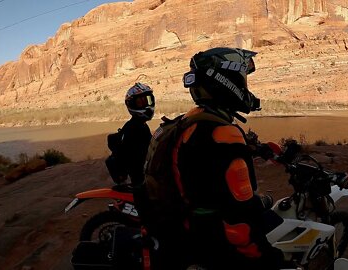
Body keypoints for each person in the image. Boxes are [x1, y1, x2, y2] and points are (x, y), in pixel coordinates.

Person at [146, 48, 284, 269]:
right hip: (214, 243)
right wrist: (266, 257)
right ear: (227, 81)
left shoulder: (190, 120)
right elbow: (239, 219)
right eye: (242, 78)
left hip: (186, 231)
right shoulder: (223, 134)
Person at [105, 82, 154, 215]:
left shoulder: (139, 124)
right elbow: (138, 157)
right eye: (141, 102)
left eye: (148, 100)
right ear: (132, 105)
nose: (146, 105)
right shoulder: (134, 128)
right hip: (142, 181)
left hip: (144, 176)